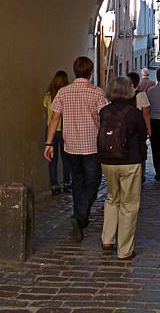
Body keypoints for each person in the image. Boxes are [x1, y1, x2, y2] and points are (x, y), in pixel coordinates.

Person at [44, 56, 108, 241]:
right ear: (90, 72)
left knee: (78, 181)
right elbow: (104, 118)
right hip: (91, 146)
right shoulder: (97, 93)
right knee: (93, 182)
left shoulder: (63, 92)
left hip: (70, 145)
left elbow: (54, 119)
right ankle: (80, 216)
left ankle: (79, 217)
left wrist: (48, 143)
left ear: (75, 71)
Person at [99, 77, 148, 260]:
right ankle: (124, 249)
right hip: (130, 161)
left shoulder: (104, 111)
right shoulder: (133, 112)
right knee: (129, 204)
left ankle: (107, 239)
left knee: (112, 198)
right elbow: (143, 134)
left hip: (108, 162)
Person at [42, 70, 71, 195]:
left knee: (52, 160)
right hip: (64, 130)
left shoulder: (48, 96)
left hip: (51, 131)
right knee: (66, 159)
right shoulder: (67, 96)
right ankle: (66, 183)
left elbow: (47, 110)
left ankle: (54, 185)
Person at [127, 71, 151, 183]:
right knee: (140, 151)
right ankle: (140, 175)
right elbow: (146, 113)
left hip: (125, 128)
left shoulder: (122, 95)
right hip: (138, 128)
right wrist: (149, 129)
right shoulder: (141, 95)